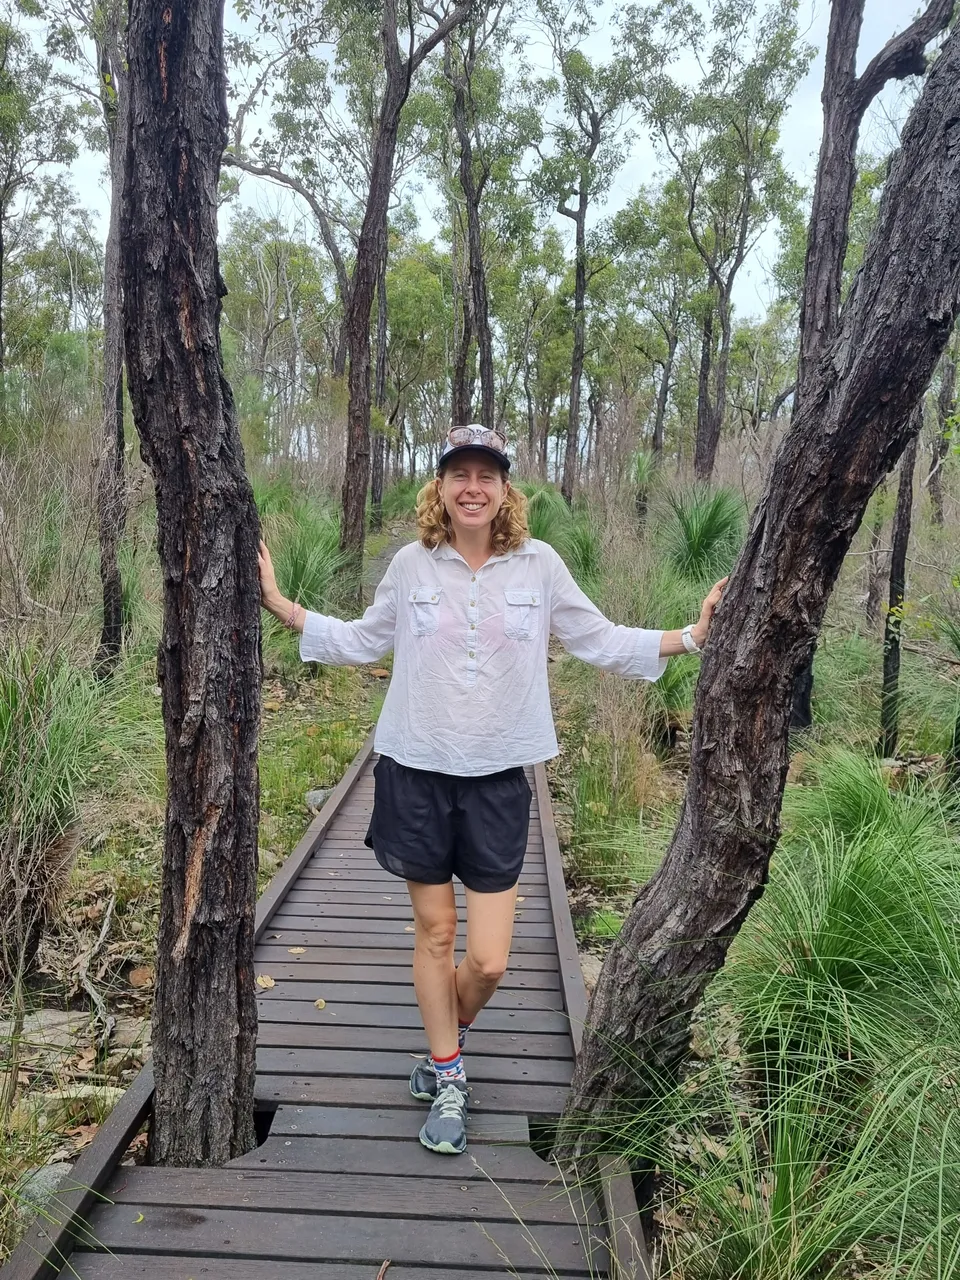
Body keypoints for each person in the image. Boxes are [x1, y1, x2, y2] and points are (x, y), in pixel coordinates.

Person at [258, 424, 726, 1156]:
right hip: (415, 767)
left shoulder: (539, 567)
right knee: (437, 934)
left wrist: (691, 636)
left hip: (500, 777)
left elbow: (598, 638)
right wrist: (283, 605)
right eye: (458, 474)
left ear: (507, 488)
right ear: (440, 487)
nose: (472, 486)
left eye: (487, 474)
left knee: (490, 960)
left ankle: (449, 1031)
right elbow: (363, 638)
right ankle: (449, 1074)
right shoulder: (412, 565)